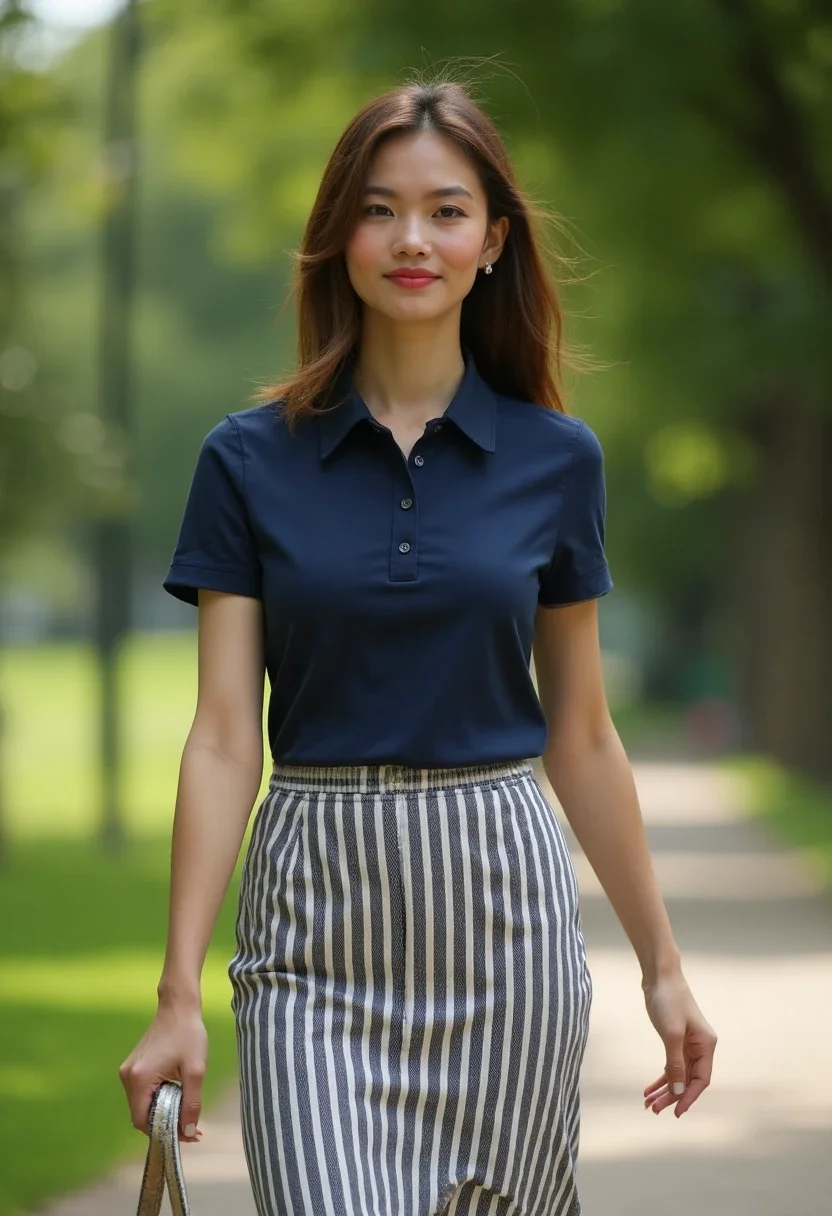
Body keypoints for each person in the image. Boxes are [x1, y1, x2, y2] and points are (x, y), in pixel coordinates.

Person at [119, 76, 717, 1216]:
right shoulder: (245, 461)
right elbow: (220, 737)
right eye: (379, 208)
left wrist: (664, 966)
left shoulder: (557, 459)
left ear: (492, 241)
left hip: (505, 918)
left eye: (445, 211)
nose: (411, 240)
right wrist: (176, 990)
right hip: (313, 925)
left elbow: (582, 734)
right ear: (338, 234)